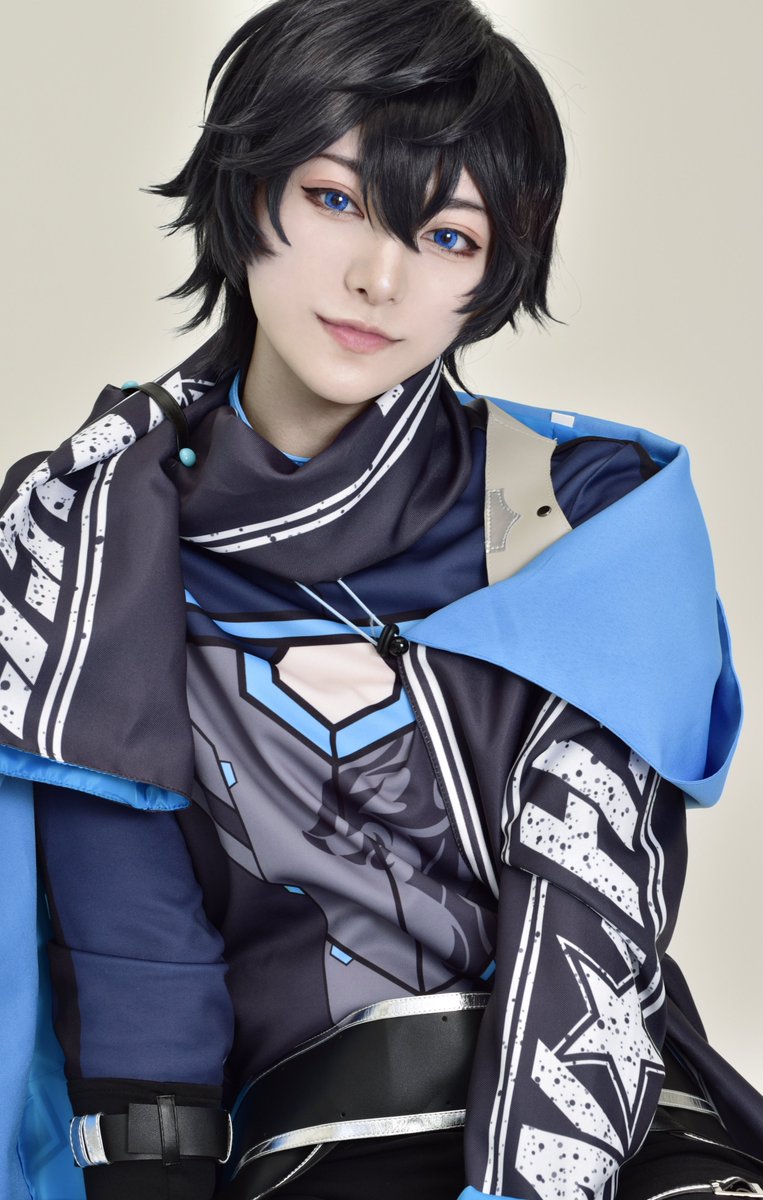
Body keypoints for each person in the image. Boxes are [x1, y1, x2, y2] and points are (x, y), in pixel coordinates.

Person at [1, 1, 762, 1198]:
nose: (378, 278)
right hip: (316, 1152)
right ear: (246, 186)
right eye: (336, 200)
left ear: (495, 270)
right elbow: (138, 973)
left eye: (447, 236)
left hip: (615, 1135)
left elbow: (587, 921)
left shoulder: (585, 509)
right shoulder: (89, 530)